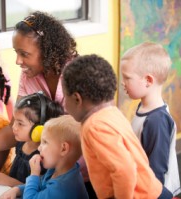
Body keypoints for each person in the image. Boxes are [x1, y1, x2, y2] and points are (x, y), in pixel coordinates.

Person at [0, 11, 96, 197]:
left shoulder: (78, 76)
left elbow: (85, 135)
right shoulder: (28, 75)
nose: (18, 61)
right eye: (16, 53)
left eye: (24, 54)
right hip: (45, 174)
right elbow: (15, 126)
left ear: (47, 51)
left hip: (80, 176)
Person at [62, 54, 173, 198]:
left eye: (65, 97)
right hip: (149, 190)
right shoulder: (111, 112)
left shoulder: (94, 126)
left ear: (77, 99)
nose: (64, 103)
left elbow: (125, 170)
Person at [120, 42, 181, 196]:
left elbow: (157, 171)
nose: (123, 82)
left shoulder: (156, 121)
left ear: (148, 80)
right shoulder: (144, 108)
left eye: (127, 78)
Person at [0, 115, 89, 199]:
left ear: (63, 149)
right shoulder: (59, 169)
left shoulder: (62, 187)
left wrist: (34, 174)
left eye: (45, 142)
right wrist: (17, 190)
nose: (39, 148)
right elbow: (39, 186)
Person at [0, 92, 64, 187]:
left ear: (39, 128)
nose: (14, 127)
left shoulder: (44, 156)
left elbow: (40, 190)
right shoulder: (21, 143)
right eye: (15, 121)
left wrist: (11, 182)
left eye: (20, 123)